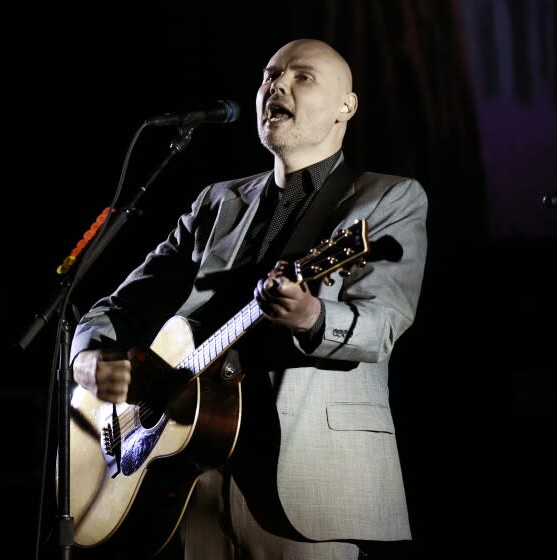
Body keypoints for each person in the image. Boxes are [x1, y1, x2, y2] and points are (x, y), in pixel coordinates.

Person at [69, 38, 428, 560]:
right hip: (199, 480)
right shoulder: (216, 202)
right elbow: (120, 306)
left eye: (302, 77)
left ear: (346, 108)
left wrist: (311, 315)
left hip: (315, 487)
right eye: (268, 75)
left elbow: (384, 322)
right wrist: (88, 357)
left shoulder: (387, 198)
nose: (275, 86)